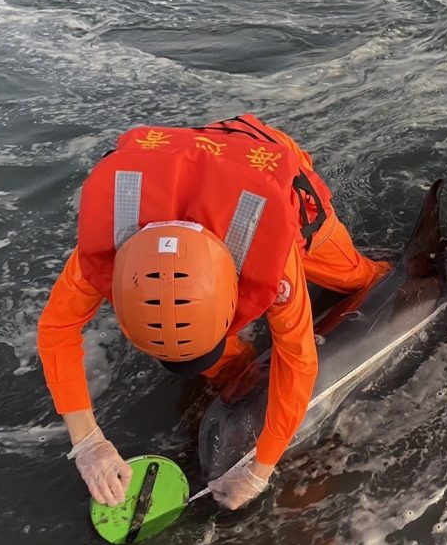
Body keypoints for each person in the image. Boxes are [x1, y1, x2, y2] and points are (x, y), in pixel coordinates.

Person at [37, 115, 388, 511]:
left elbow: (298, 359)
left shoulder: (271, 254)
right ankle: (241, 378)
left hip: (261, 164)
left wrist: (262, 466)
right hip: (176, 169)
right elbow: (56, 329)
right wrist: (87, 442)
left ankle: (385, 272)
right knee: (225, 369)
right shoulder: (102, 254)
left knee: (357, 279)